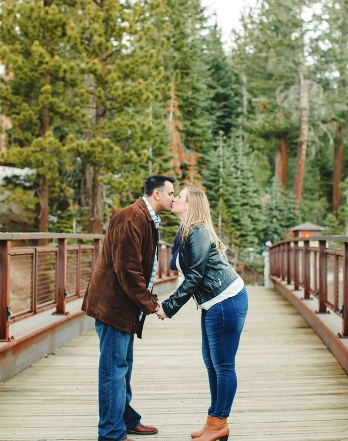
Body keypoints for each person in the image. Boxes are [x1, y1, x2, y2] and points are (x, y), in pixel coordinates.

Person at [82, 174, 176, 441]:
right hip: (113, 307)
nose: (173, 197)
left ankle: (125, 419)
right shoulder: (129, 218)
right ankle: (111, 433)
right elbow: (127, 270)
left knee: (123, 366)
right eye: (170, 193)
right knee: (113, 370)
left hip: (125, 308)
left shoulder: (145, 219)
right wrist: (151, 304)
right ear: (156, 194)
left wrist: (144, 303)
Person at [156, 186, 248, 441]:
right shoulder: (187, 231)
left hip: (225, 301)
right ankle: (214, 421)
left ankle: (220, 423)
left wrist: (168, 307)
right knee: (212, 365)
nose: (174, 199)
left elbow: (195, 276)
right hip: (213, 303)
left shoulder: (197, 232)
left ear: (191, 205)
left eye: (180, 197)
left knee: (223, 366)